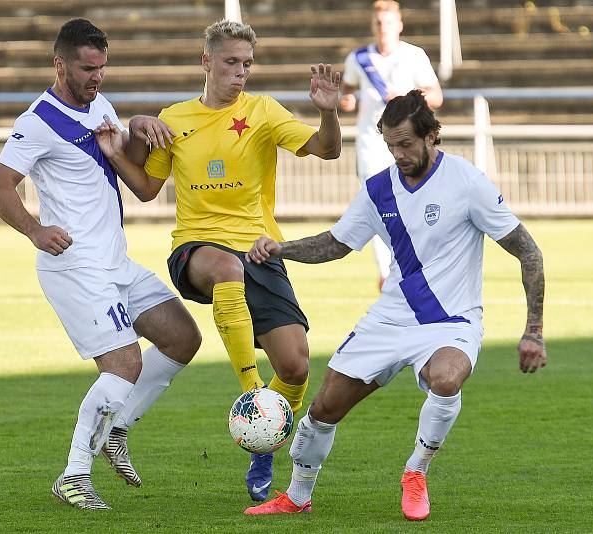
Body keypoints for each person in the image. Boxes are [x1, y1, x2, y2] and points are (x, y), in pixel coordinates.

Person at [243, 90, 547, 521]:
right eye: (390, 145)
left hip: (451, 321)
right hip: (389, 319)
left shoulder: (467, 182)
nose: (398, 154)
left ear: (431, 136)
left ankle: (416, 471)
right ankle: (297, 495)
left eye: (405, 144)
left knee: (446, 379)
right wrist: (281, 249)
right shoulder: (378, 189)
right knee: (323, 409)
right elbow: (336, 244)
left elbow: (529, 252)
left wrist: (533, 329)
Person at [92, 19, 341, 502]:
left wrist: (328, 114)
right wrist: (116, 154)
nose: (240, 73)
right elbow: (146, 189)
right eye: (231, 63)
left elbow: (326, 150)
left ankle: (263, 444)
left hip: (260, 250)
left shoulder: (264, 112)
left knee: (296, 366)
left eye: (247, 64)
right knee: (226, 268)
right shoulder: (177, 117)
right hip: (197, 250)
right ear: (206, 61)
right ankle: (251, 395)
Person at [0, 19, 202, 510]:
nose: (97, 77)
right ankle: (74, 474)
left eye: (102, 67)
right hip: (76, 266)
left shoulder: (100, 106)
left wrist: (141, 129)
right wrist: (36, 231)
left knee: (182, 337)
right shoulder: (38, 121)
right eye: (87, 68)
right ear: (59, 64)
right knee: (124, 363)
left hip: (115, 261)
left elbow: (133, 173)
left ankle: (116, 429)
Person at [341, 0, 443, 290]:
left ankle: (418, 262)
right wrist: (347, 99)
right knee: (378, 203)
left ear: (399, 25)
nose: (383, 28)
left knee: (412, 201)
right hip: (371, 143)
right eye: (378, 23)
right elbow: (348, 89)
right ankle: (388, 273)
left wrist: (408, 96)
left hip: (409, 142)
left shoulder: (413, 56)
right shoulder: (359, 58)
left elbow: (436, 96)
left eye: (388, 23)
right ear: (373, 26)